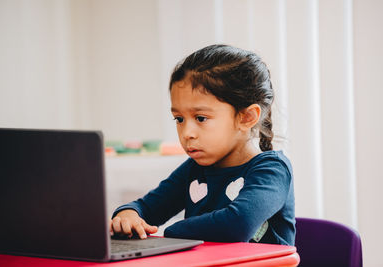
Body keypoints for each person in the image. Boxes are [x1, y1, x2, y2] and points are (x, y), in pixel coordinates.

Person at [110, 44, 295, 245]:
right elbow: (146, 208)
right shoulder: (195, 168)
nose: (187, 133)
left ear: (246, 117)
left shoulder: (272, 170)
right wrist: (128, 216)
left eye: (200, 118)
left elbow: (237, 225)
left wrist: (170, 231)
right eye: (179, 119)